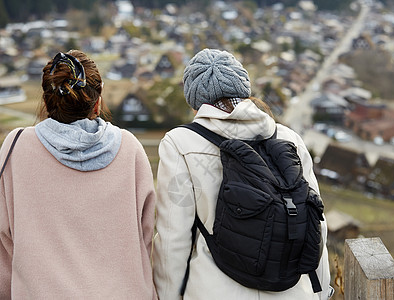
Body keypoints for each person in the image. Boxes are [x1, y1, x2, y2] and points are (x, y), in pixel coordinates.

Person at [153, 48, 332, 299]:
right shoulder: (289, 139)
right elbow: (316, 223)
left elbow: (174, 237)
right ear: (243, 88)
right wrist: (321, 291)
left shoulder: (180, 143)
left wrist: (168, 295)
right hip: (292, 290)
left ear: (195, 102)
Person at [0, 50, 157, 299]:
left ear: (47, 100)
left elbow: (4, 238)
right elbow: (146, 234)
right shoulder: (130, 148)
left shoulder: (16, 146)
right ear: (97, 102)